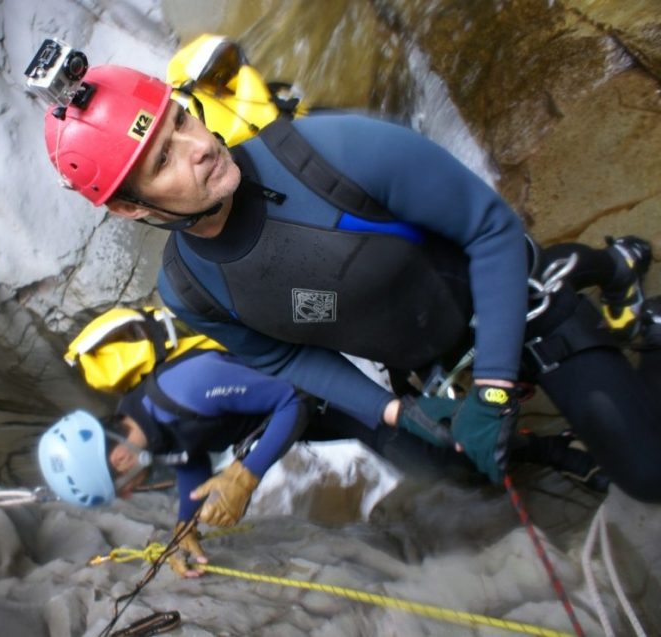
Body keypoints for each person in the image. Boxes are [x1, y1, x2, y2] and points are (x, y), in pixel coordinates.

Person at [37, 61, 661, 504]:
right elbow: (288, 356)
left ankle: (627, 300)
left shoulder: (330, 152)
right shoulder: (191, 291)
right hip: (430, 363)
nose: (198, 145)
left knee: (649, 476)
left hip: (517, 304)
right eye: (164, 160)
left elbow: (492, 231)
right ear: (128, 208)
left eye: (180, 119)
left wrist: (495, 389)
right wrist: (397, 411)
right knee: (458, 472)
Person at [39, 344, 609, 577]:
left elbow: (293, 402)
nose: (137, 491)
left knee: (445, 459)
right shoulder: (151, 432)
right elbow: (191, 458)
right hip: (292, 414)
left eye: (127, 486)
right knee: (439, 467)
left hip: (323, 385)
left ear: (118, 453)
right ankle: (491, 437)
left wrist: (246, 473)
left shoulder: (187, 388)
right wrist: (187, 522)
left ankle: (545, 446)